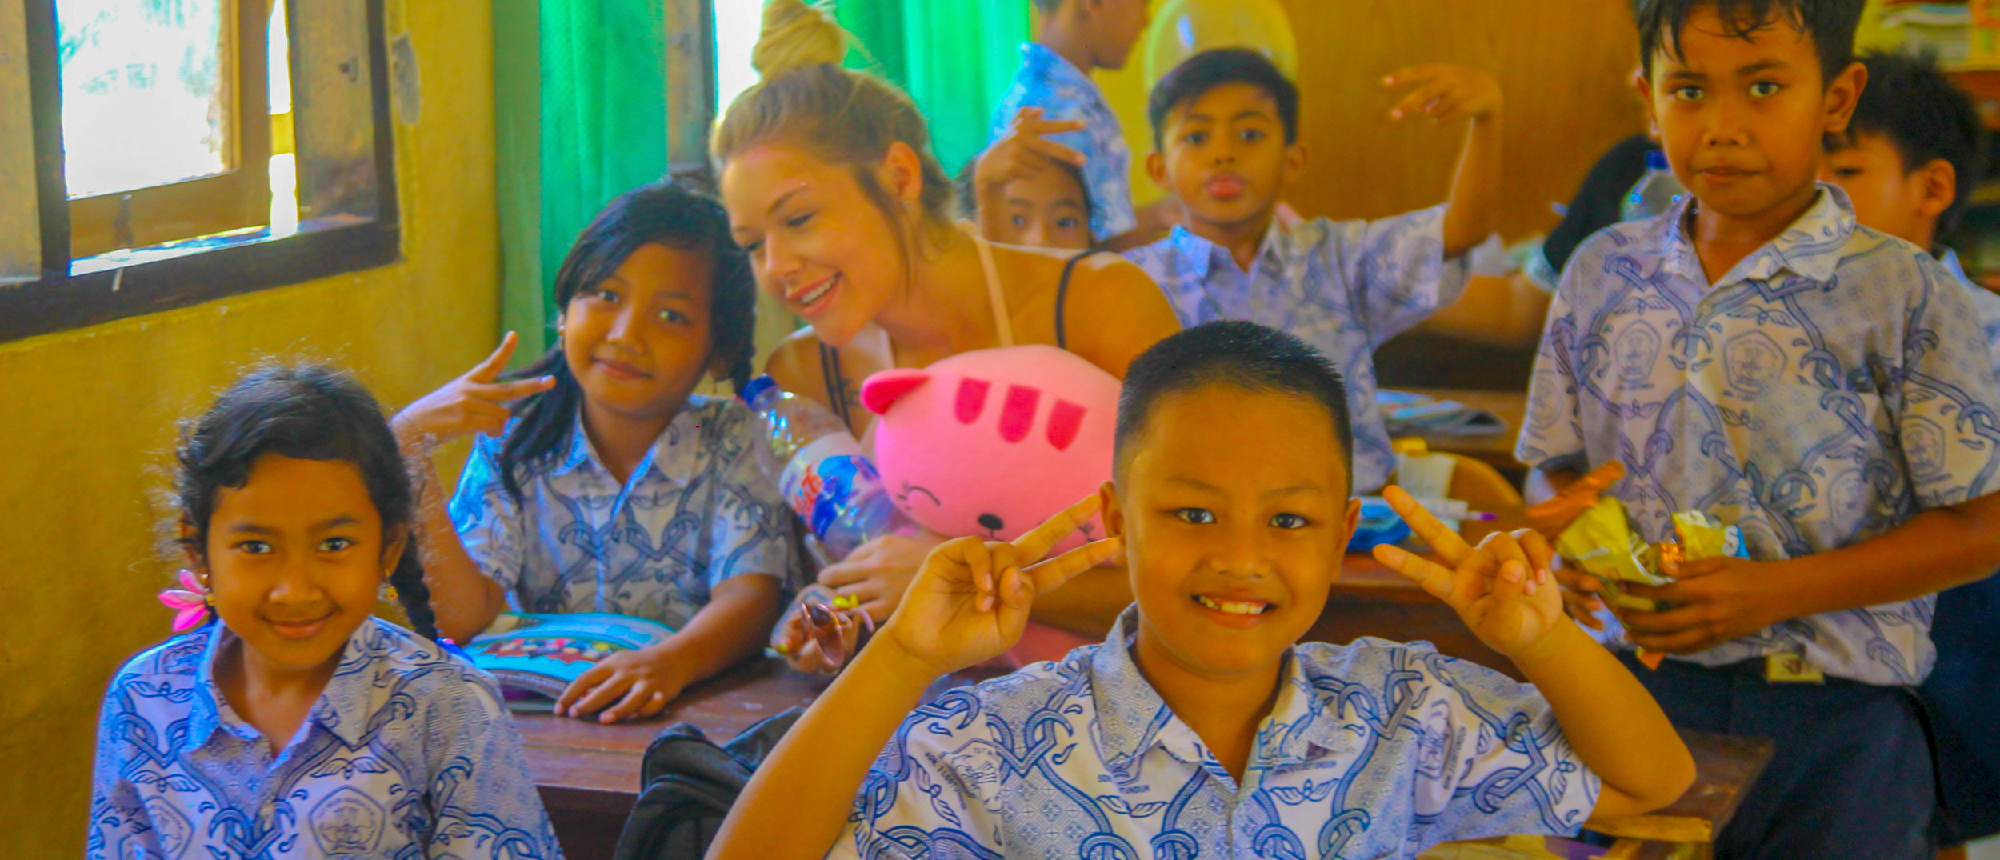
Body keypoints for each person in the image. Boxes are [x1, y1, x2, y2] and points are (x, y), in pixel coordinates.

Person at [705, 321, 1694, 860]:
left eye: (1288, 519)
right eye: (1190, 513)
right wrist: (904, 654)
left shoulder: (1403, 712)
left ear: (1342, 532)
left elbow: (1653, 781)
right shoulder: (993, 740)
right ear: (1116, 519)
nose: (1238, 556)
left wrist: (1540, 637)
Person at [1525, 2, 2000, 857]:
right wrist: (1574, 543)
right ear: (1649, 101)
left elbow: (1979, 529)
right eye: (1691, 90)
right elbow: (1555, 469)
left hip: (1842, 722)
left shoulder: (1905, 291)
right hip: (1636, 694)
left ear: (1836, 98)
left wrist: (1773, 593)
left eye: (1765, 87)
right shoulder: (1603, 271)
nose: (1724, 128)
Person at [712, 0, 1182, 660]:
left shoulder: (1097, 305)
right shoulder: (800, 374)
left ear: (898, 177)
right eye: (752, 243)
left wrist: (975, 582)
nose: (777, 268)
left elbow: (1204, 565)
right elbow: (857, 579)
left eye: (799, 220)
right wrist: (830, 615)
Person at [87, 364, 563, 859]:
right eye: (255, 547)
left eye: (334, 544)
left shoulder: (449, 709)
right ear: (199, 554)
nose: (295, 591)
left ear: (389, 548)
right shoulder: (145, 699)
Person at [399, 182, 795, 724]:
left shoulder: (737, 438)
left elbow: (751, 596)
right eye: (606, 296)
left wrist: (667, 665)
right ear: (562, 313)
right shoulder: (513, 438)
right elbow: (461, 618)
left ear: (720, 353)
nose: (626, 334)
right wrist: (408, 453)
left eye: (672, 316)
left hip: (695, 719)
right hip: (548, 730)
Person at [1124, 48, 1504, 493]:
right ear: (1158, 168)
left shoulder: (1341, 257)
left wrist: (1486, 121)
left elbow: (1461, 232)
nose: (1223, 154)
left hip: (1349, 528)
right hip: (1198, 526)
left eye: (1249, 135)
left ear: (1293, 160)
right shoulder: (1131, 283)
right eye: (1196, 138)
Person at [1818, 48, 2000, 856]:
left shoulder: (1984, 336)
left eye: (1846, 171)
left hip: (1958, 677)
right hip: (1817, 687)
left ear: (1931, 189)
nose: (1813, 202)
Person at [988, 0, 1165, 249]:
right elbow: (1066, 251)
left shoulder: (1065, 98)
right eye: (1142, 3)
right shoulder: (1051, 110)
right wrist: (1166, 214)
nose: (1145, 22)